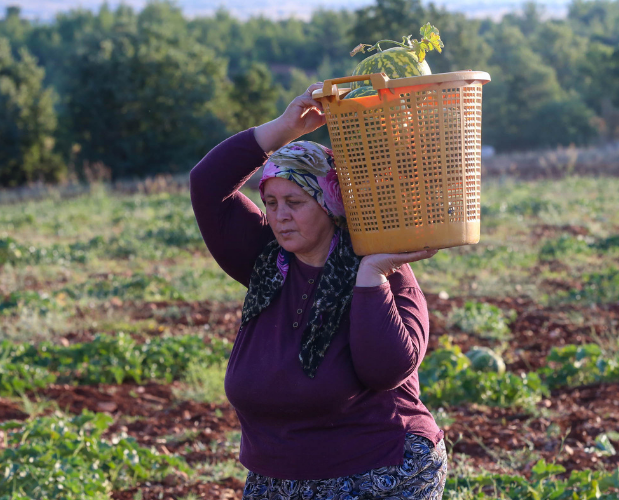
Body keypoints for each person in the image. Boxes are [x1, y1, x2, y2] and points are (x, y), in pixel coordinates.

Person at [189, 82, 447, 500]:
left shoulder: (379, 262)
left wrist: (372, 277)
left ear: (330, 202)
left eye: (295, 201)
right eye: (271, 203)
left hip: (381, 471)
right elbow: (207, 183)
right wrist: (284, 128)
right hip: (276, 479)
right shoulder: (267, 262)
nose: (280, 217)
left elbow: (387, 370)